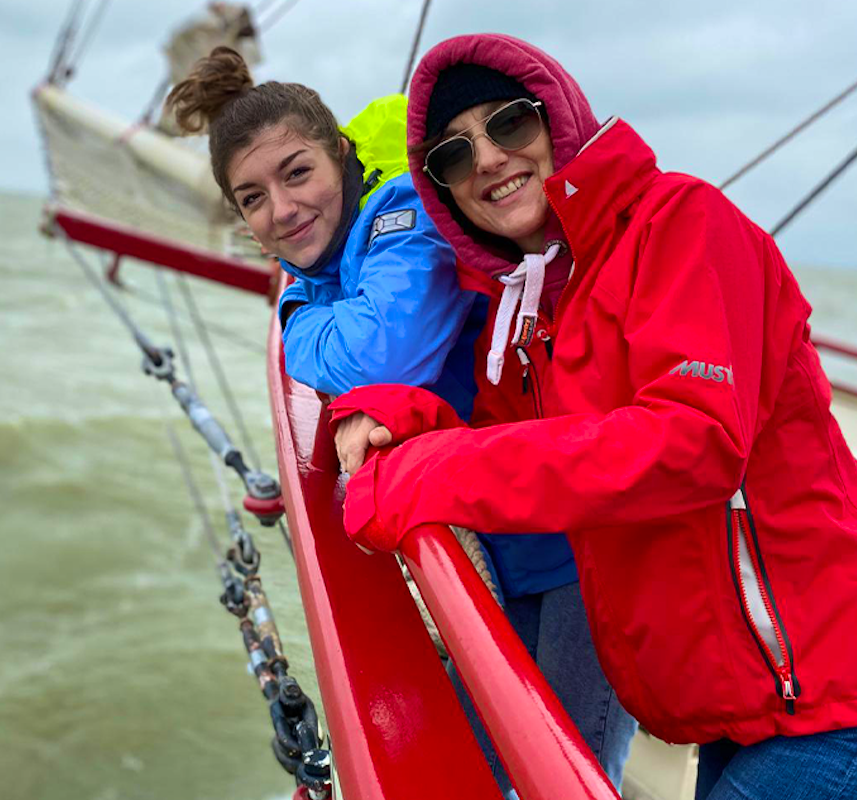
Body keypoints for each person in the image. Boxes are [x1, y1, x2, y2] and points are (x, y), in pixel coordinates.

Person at [329, 33, 857, 799]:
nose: (484, 159)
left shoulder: (682, 222)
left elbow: (693, 442)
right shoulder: (547, 300)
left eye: (508, 123)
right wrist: (393, 409)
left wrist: (425, 474)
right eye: (452, 154)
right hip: (751, 705)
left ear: (559, 121)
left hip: (850, 699)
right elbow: (503, 439)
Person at [165, 46, 634, 792]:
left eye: (297, 174)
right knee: (477, 764)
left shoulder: (401, 217)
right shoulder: (332, 259)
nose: (282, 210)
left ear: (343, 156)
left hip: (577, 542)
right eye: (252, 198)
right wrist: (310, 298)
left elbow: (376, 352)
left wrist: (295, 312)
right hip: (505, 532)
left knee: (567, 771)